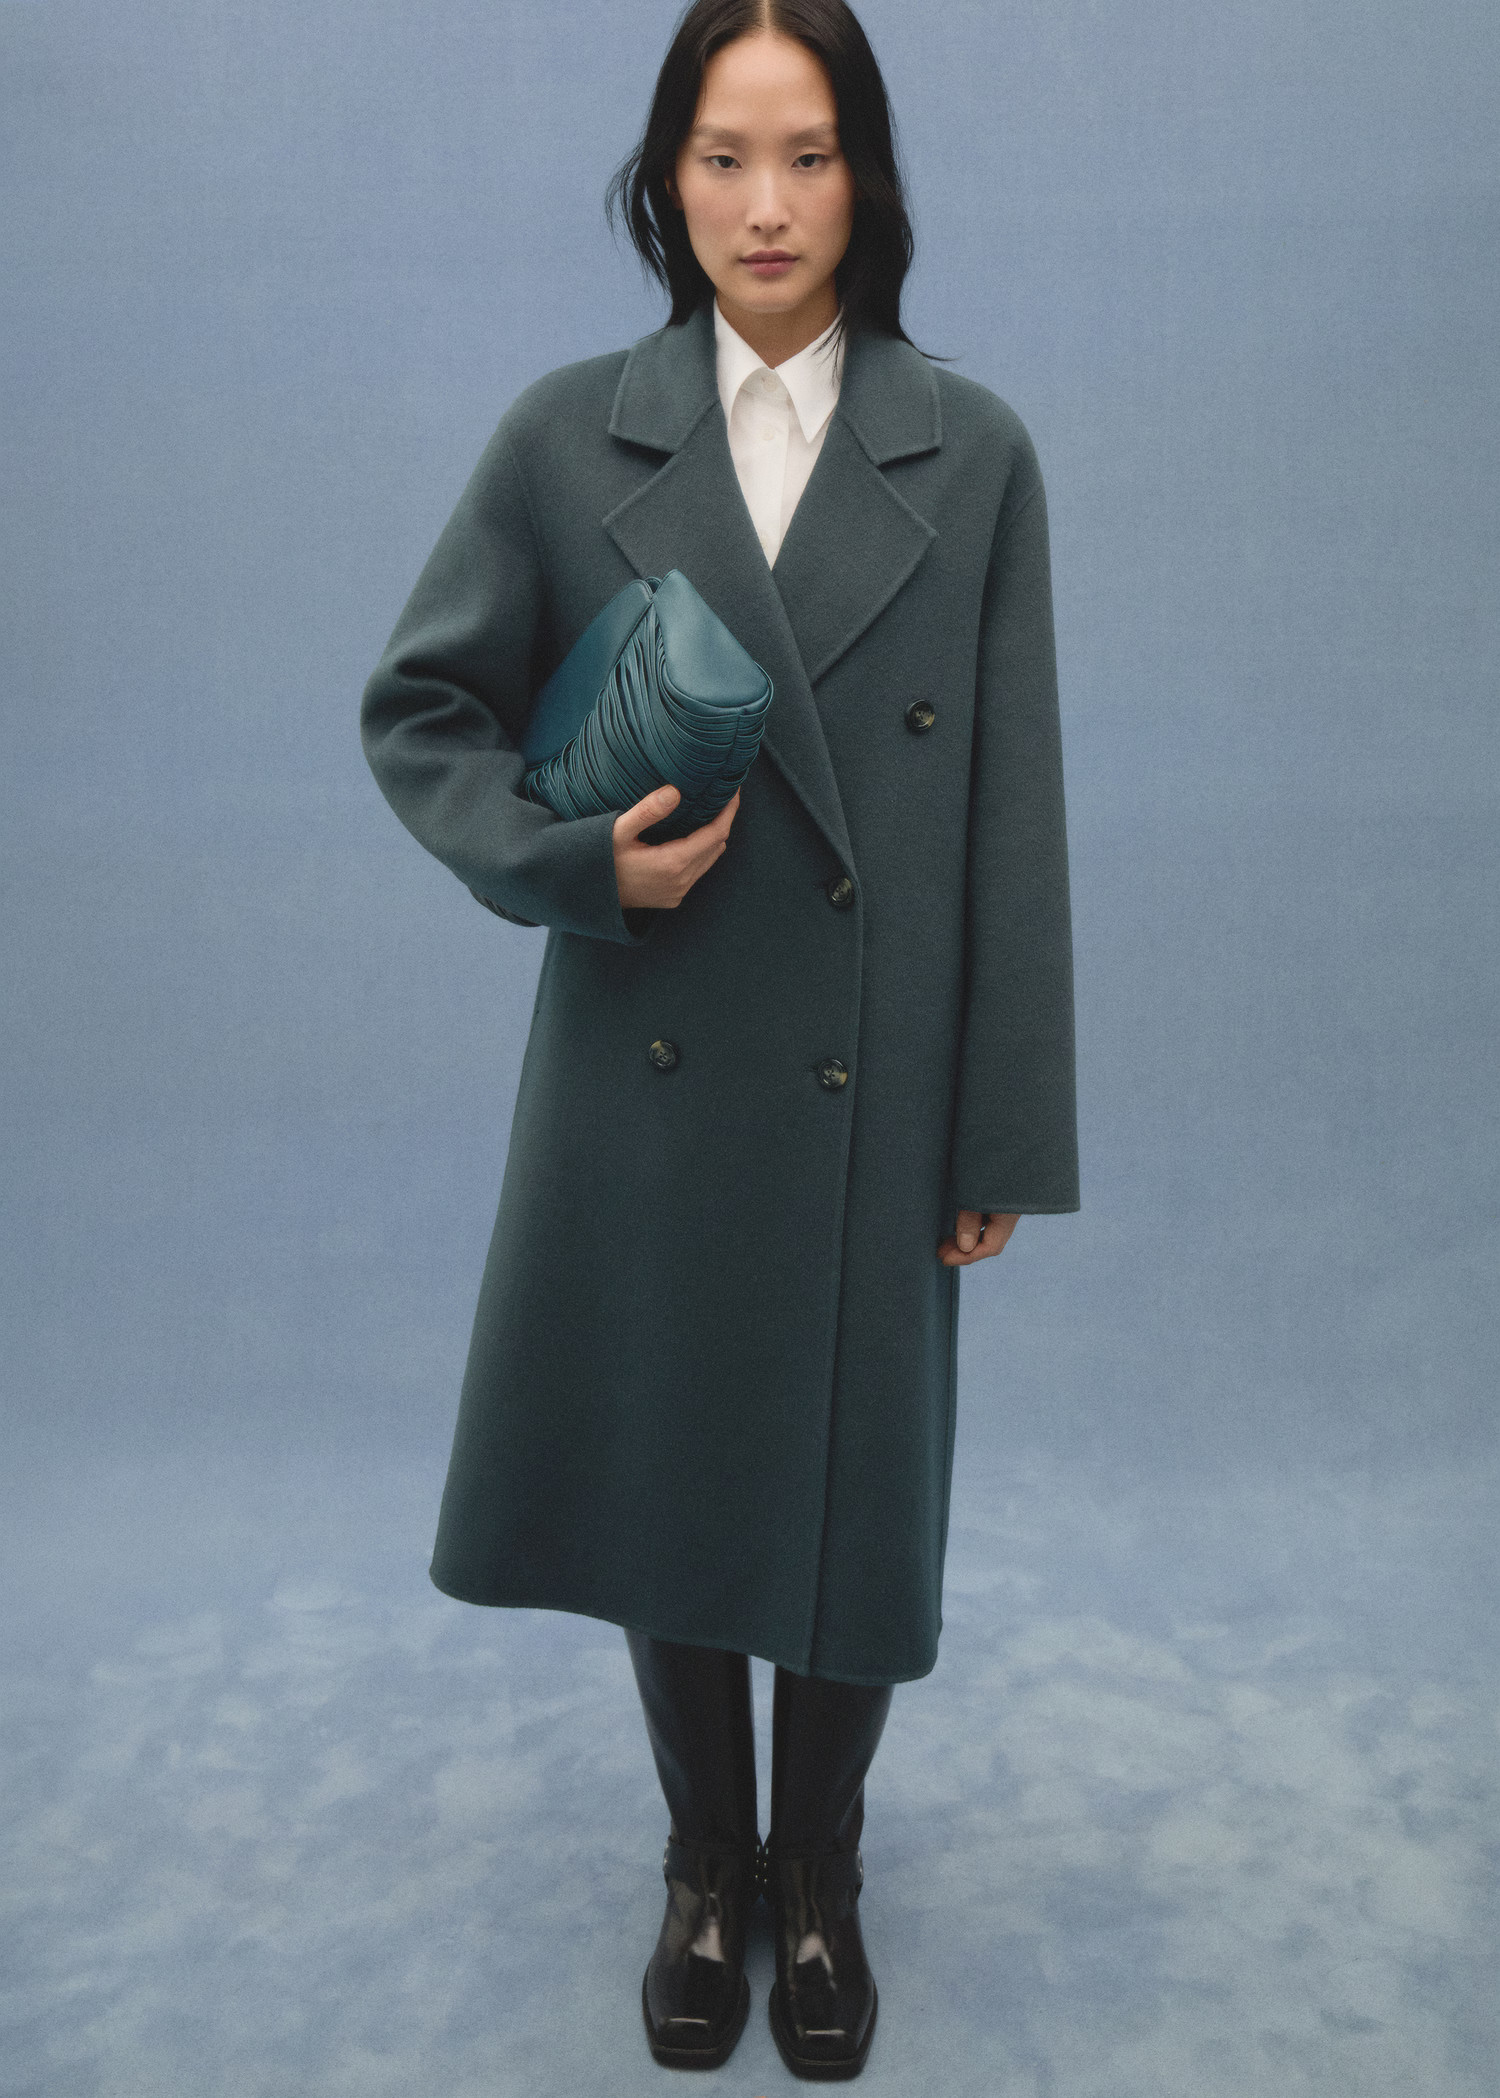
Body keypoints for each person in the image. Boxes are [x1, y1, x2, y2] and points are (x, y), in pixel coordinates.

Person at [360, 0, 1078, 2077]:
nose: (768, 203)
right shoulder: (567, 437)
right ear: (664, 183)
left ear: (871, 180)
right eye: (724, 156)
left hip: (881, 1074)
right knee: (670, 1457)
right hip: (649, 1054)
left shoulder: (974, 451)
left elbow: (1013, 813)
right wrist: (575, 860)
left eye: (811, 154)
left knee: (860, 1483)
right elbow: (425, 712)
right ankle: (704, 1861)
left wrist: (1001, 1131)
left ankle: (817, 1867)